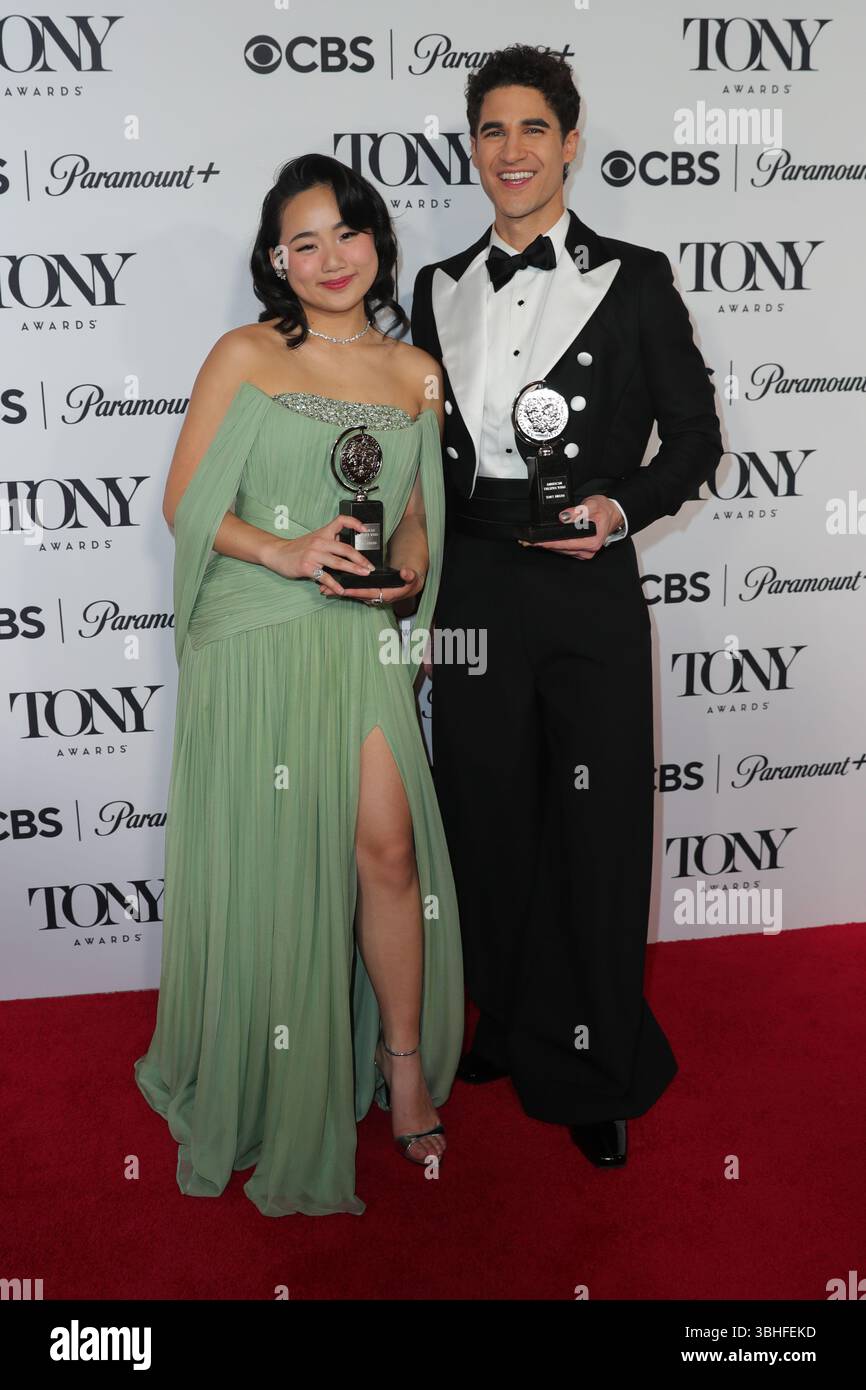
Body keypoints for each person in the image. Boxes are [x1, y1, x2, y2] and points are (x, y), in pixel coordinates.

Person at [134, 154, 464, 1218]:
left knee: (388, 845)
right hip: (258, 627)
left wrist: (407, 559)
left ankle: (401, 1065)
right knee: (276, 858)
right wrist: (284, 554)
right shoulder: (244, 350)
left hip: (357, 631)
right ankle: (274, 1075)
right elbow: (184, 504)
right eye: (302, 242)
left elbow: (413, 503)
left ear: (377, 240)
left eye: (346, 232)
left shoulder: (416, 368)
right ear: (276, 259)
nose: (328, 258)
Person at [410, 46, 723, 1166]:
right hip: (474, 585)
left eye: (532, 129)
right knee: (484, 812)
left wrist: (617, 508)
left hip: (586, 580)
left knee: (594, 825)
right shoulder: (434, 283)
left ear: (570, 140)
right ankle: (504, 1012)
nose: (511, 151)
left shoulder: (633, 277)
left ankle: (594, 1059)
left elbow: (694, 440)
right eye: (491, 130)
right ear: (473, 145)